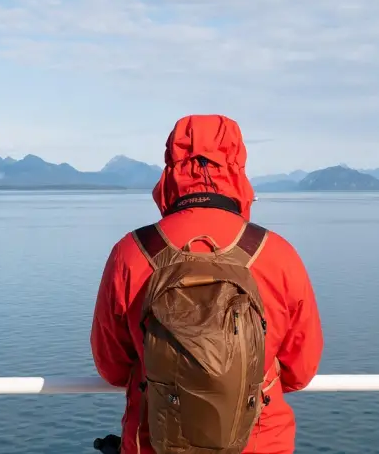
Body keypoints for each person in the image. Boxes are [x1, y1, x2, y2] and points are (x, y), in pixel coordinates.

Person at [90, 114, 324, 454]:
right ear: (238, 168)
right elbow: (300, 372)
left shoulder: (131, 253)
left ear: (170, 168)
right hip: (259, 444)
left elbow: (111, 368)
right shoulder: (276, 254)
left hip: (153, 442)